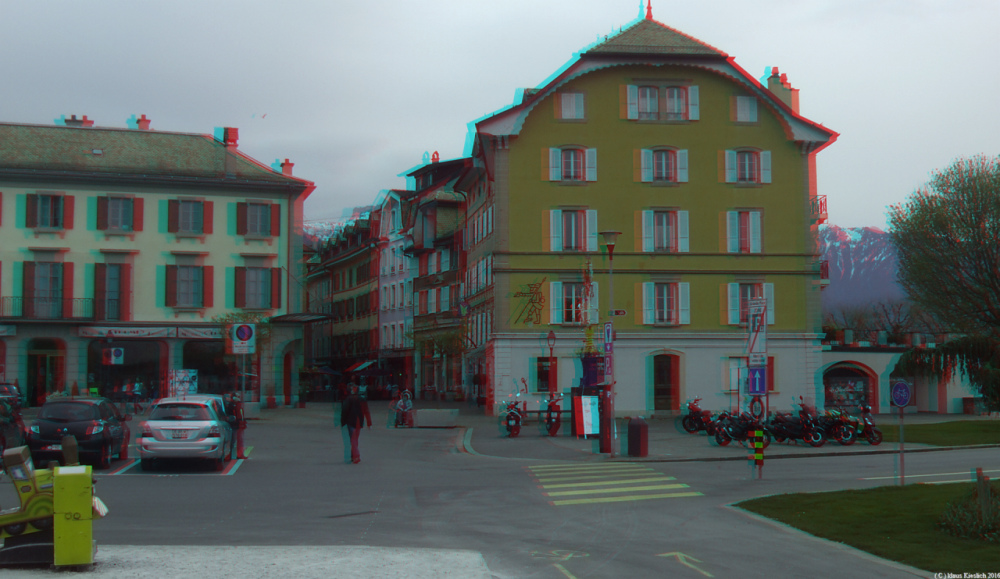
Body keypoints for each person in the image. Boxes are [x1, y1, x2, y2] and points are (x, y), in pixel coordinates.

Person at [340, 385, 372, 464]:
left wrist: (343, 422)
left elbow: (344, 410)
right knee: (355, 439)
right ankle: (353, 455)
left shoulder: (349, 399)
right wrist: (369, 422)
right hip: (359, 421)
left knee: (353, 439)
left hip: (351, 421)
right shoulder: (362, 399)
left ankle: (356, 455)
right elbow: (366, 411)